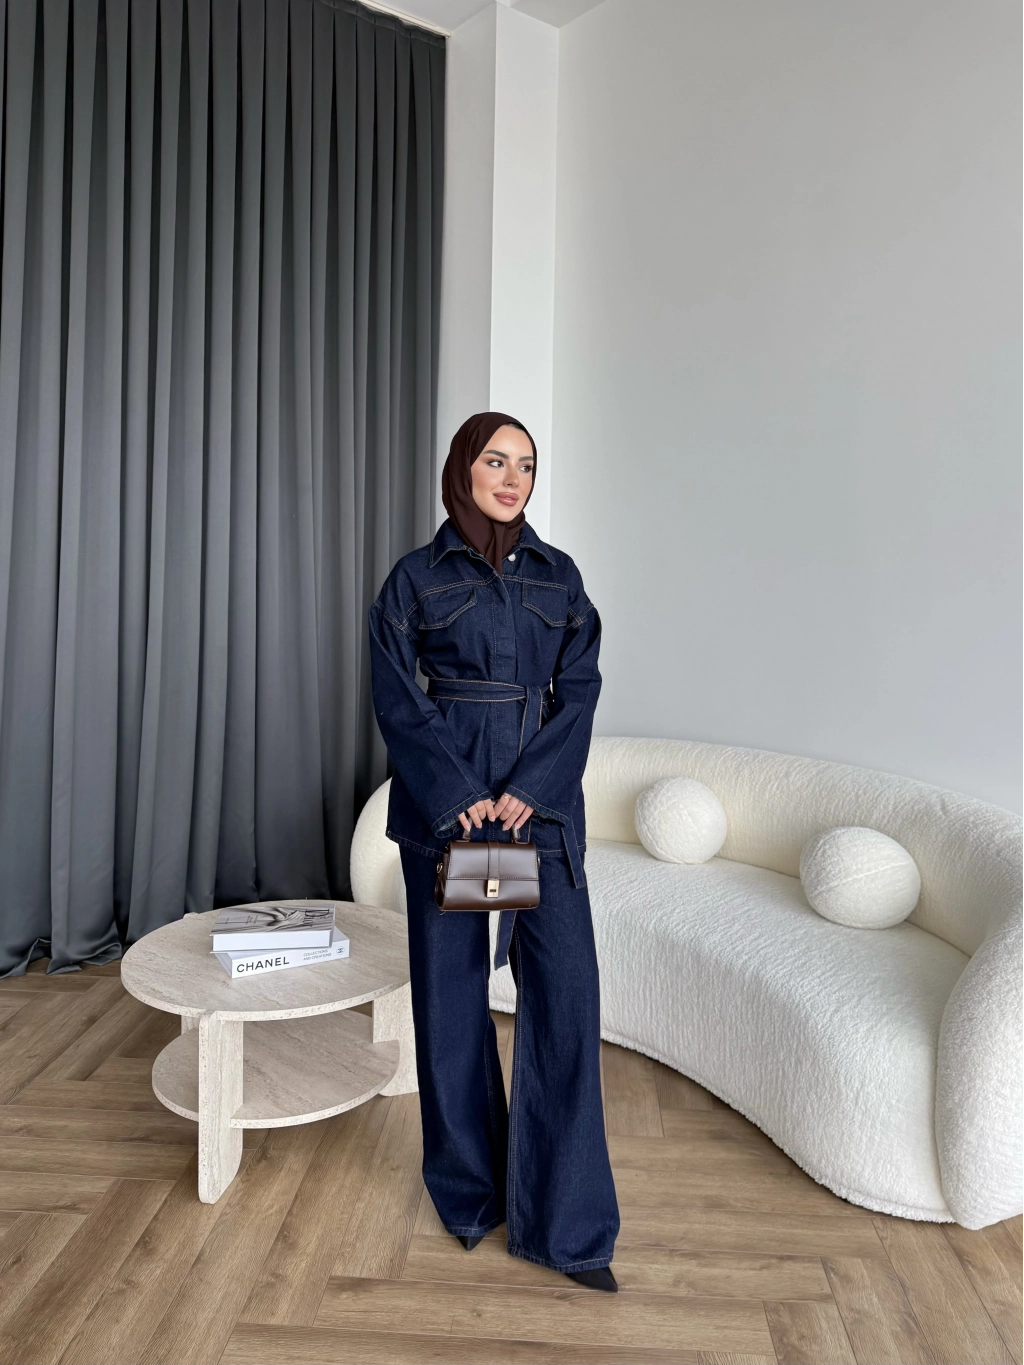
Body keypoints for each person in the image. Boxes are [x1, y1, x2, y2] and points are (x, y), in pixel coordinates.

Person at [367, 412, 620, 1291]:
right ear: (462, 469)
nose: (513, 478)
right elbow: (397, 696)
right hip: (449, 817)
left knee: (567, 998)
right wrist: (459, 793)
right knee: (450, 1002)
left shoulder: (560, 576)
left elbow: (580, 691)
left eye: (527, 465)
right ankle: (471, 1196)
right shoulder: (414, 578)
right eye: (496, 460)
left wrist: (533, 789)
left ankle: (567, 1225)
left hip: (537, 818)